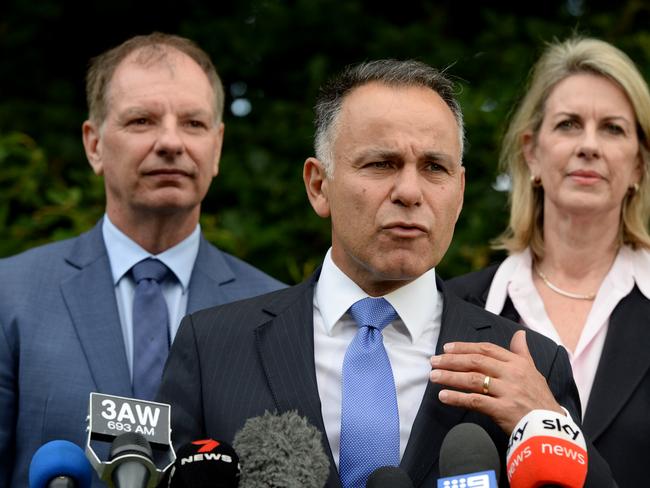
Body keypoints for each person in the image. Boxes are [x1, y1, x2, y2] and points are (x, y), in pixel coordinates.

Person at [157, 59, 614, 487]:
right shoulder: (213, 347)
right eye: (381, 164)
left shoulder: (530, 365)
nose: (410, 192)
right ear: (319, 186)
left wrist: (542, 420)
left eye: (434, 167)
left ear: (458, 192)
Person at [0, 32, 284, 487]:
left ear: (217, 147)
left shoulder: (277, 309)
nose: (171, 142)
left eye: (193, 123)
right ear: (94, 145)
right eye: (142, 121)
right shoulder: (10, 296)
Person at [446, 37, 650, 487]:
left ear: (638, 164)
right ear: (531, 152)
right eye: (569, 124)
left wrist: (545, 418)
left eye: (613, 128)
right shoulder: (458, 307)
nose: (589, 146)